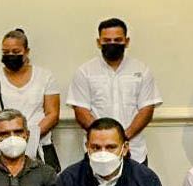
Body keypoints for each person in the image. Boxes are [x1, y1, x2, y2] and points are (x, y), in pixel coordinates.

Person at [65, 18, 162, 164]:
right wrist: (105, 139)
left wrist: (123, 137)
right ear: (99, 42)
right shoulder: (85, 72)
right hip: (97, 152)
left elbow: (146, 109)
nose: (112, 44)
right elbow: (81, 111)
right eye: (107, 40)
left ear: (126, 41)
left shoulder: (142, 70)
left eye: (117, 40)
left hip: (135, 151)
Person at [0, 28, 61, 170]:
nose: (10, 55)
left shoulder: (45, 76)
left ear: (26, 51)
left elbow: (52, 114)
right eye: (6, 52)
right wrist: (9, 136)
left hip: (40, 144)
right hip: (4, 146)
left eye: (16, 52)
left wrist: (30, 137)